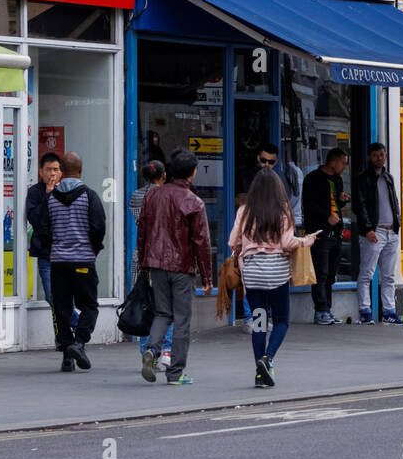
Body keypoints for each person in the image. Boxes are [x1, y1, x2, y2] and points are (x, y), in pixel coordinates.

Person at [229, 168, 318, 388]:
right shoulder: (283, 210)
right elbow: (288, 243)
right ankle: (267, 359)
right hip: (276, 274)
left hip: (253, 274)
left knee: (259, 322)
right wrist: (306, 240)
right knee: (280, 321)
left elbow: (233, 242)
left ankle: (260, 375)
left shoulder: (244, 211)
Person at [138, 150, 213, 385]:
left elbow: (143, 232)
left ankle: (151, 349)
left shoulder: (152, 196)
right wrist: (207, 277)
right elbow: (202, 242)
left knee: (162, 312)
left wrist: (144, 262)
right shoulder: (193, 201)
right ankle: (175, 373)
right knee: (181, 320)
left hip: (156, 263)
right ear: (192, 173)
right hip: (181, 266)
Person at [35, 152, 107, 372]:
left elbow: (42, 228)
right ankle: (79, 343)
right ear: (81, 170)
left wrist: (54, 248)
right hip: (83, 260)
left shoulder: (50, 198)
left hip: (58, 263)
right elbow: (98, 227)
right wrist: (92, 249)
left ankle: (67, 355)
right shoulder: (89, 196)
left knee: (62, 308)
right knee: (89, 306)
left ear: (63, 172)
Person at [25, 151, 75, 337]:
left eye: (56, 169)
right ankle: (75, 323)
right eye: (48, 170)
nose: (52, 174)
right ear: (41, 172)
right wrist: (48, 195)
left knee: (66, 297)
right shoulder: (35, 192)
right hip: (46, 253)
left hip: (67, 253)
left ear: (62, 172)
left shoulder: (69, 191)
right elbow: (35, 219)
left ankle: (63, 336)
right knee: (51, 296)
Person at [353, 142, 402, 324]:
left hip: (391, 232)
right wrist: (367, 229)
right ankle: (365, 311)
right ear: (369, 157)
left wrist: (398, 223)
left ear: (386, 156)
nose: (379, 158)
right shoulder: (363, 179)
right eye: (375, 155)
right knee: (367, 272)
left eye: (381, 155)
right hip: (374, 232)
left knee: (389, 275)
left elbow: (394, 201)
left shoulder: (389, 178)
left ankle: (389, 312)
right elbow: (360, 205)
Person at [129, 161, 171, 371]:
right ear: (163, 176)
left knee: (144, 303)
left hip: (140, 255)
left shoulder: (136, 196)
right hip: (161, 257)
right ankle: (163, 351)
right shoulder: (164, 197)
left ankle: (145, 349)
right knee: (165, 308)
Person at [303, 148, 349, 325]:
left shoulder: (337, 180)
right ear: (333, 162)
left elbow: (334, 202)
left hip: (336, 233)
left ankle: (327, 310)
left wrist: (342, 199)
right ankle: (320, 310)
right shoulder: (312, 179)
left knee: (330, 274)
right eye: (343, 163)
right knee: (320, 273)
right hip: (320, 233)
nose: (344, 167)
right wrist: (325, 218)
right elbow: (309, 205)